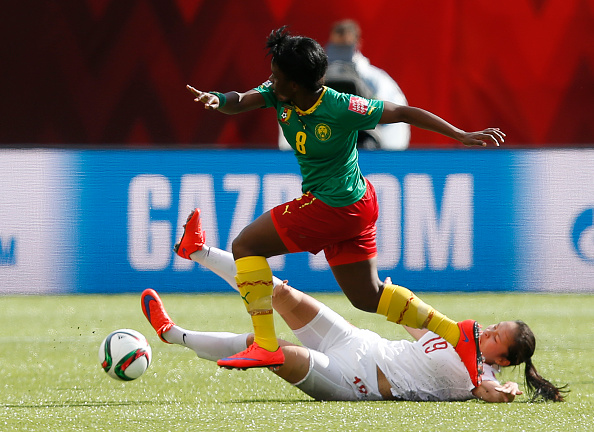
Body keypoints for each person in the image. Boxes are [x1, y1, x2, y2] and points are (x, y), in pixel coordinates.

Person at [181, 26, 505, 380]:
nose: (270, 83)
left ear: (297, 84)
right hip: (354, 205)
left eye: (277, 78)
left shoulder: (340, 106)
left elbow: (403, 113)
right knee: (367, 296)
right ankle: (458, 334)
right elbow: (240, 100)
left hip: (334, 206)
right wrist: (217, 99)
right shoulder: (281, 93)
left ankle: (265, 343)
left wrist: (460, 134)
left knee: (246, 245)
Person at [141, 243, 567, 403]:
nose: (488, 331)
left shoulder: (483, 375)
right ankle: (197, 250)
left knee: (267, 347)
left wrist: (508, 391)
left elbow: (491, 394)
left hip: (355, 380)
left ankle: (172, 334)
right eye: (495, 326)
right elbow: (420, 332)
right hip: (359, 342)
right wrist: (397, 301)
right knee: (282, 293)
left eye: (497, 337)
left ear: (504, 359)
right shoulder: (461, 339)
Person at [325, 19, 410, 150]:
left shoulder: (376, 80)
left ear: (357, 44)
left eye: (345, 47)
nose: (340, 52)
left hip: (368, 149)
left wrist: (386, 156)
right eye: (337, 47)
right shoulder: (317, 78)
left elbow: (394, 118)